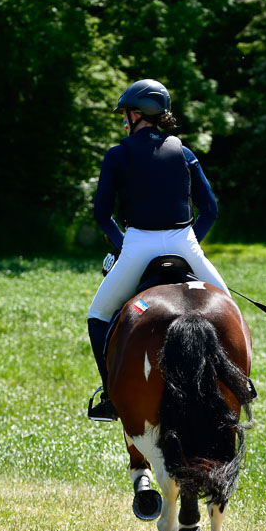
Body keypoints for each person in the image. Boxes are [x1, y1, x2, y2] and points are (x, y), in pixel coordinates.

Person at [87, 78, 230, 421]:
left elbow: (102, 215)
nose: (124, 122)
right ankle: (238, 382)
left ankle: (110, 395)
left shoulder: (117, 155)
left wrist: (122, 245)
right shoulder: (184, 153)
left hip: (138, 245)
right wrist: (190, 243)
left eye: (126, 115)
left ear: (137, 114)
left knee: (98, 315)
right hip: (185, 243)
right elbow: (210, 211)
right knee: (228, 310)